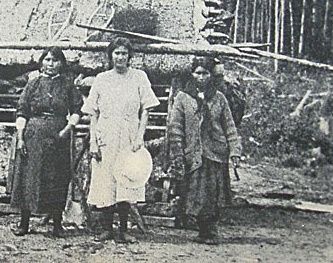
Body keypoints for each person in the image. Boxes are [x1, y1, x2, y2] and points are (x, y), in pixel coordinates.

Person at [81, 37, 160, 243]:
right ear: (110, 56)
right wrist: (93, 142)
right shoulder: (101, 79)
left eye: (124, 53)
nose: (120, 57)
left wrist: (139, 137)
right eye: (116, 53)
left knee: (126, 180)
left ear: (129, 56)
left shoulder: (139, 77)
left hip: (128, 135)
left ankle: (124, 230)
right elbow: (93, 113)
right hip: (105, 134)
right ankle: (107, 228)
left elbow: (146, 110)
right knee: (106, 181)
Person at [167, 56, 242, 245]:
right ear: (192, 74)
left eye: (205, 73)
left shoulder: (219, 98)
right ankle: (202, 228)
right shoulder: (183, 98)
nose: (201, 77)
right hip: (194, 153)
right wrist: (177, 152)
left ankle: (210, 230)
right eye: (198, 73)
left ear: (211, 75)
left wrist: (234, 151)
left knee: (213, 193)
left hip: (216, 153)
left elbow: (229, 126)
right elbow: (175, 127)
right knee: (196, 193)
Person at [11, 47, 83, 238]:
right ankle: (24, 223)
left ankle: (57, 225)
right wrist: (20, 138)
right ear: (42, 62)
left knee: (57, 178)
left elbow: (77, 110)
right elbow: (22, 111)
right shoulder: (32, 85)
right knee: (30, 177)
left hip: (58, 136)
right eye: (47, 60)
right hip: (33, 136)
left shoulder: (67, 85)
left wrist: (67, 130)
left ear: (61, 64)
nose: (51, 64)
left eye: (55, 60)